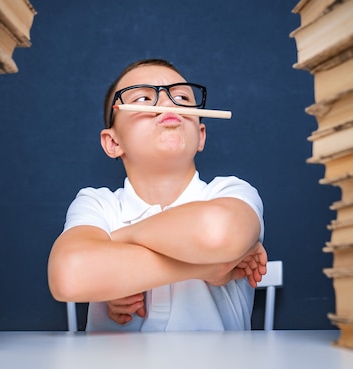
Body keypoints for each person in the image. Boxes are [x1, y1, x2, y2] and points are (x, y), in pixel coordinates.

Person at [47, 59, 267, 331]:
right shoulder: (98, 204)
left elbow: (217, 232)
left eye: (182, 97)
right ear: (113, 142)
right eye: (143, 97)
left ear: (200, 136)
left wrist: (115, 250)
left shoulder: (231, 192)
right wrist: (204, 268)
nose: (167, 103)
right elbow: (69, 275)